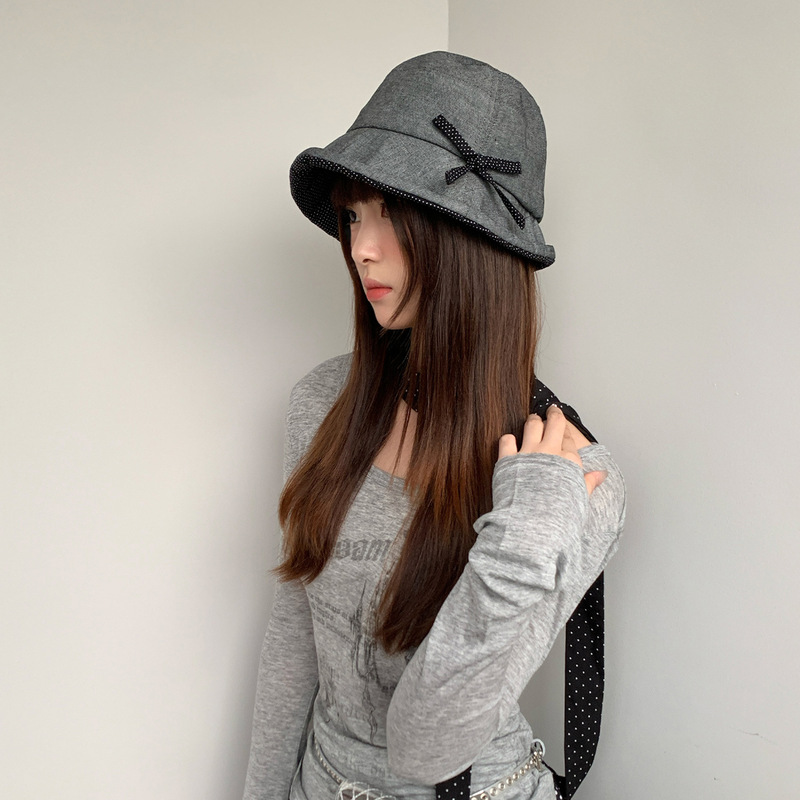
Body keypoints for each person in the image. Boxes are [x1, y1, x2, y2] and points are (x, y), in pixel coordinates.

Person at [242, 51, 626, 800]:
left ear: (474, 242)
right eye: (354, 214)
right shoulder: (323, 402)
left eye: (392, 214)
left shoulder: (573, 482)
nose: (361, 247)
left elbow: (425, 747)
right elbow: (296, 634)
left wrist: (524, 538)